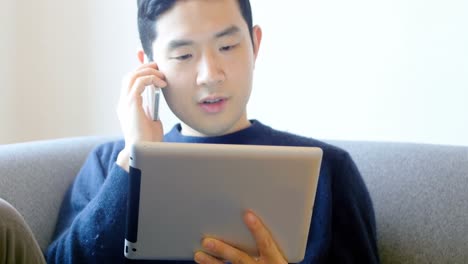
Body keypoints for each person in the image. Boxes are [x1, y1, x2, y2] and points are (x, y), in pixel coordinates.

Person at [0, 0, 379, 263]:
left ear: (255, 45)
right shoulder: (110, 166)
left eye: (228, 45)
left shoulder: (329, 171)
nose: (210, 74)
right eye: (183, 55)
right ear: (149, 67)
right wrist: (133, 160)